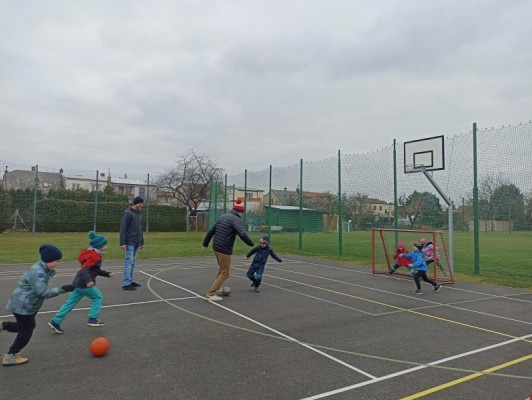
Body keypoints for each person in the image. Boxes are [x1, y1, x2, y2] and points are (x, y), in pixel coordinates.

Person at [1, 244, 74, 366]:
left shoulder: (42, 268)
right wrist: (62, 289)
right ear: (48, 260)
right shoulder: (38, 272)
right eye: (56, 261)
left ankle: (3, 326)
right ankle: (10, 356)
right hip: (23, 306)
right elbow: (42, 292)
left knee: (26, 326)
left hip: (24, 305)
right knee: (26, 332)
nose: (57, 263)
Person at [48, 231, 114, 334]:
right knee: (98, 297)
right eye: (105, 244)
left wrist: (107, 274)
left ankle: (56, 321)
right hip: (84, 284)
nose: (106, 246)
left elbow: (94, 270)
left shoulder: (92, 254)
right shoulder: (94, 256)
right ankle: (93, 318)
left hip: (77, 283)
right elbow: (85, 269)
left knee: (70, 303)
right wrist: (89, 281)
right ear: (99, 246)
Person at [202, 199, 254, 301]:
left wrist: (205, 243)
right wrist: (251, 244)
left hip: (216, 247)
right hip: (224, 249)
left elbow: (211, 231)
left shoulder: (223, 217)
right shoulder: (236, 219)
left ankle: (216, 289)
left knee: (222, 269)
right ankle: (210, 294)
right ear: (240, 212)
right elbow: (242, 234)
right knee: (225, 273)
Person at [120, 196, 145, 291]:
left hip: (136, 242)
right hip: (129, 242)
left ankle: (130, 280)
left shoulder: (138, 214)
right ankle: (126, 283)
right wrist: (122, 243)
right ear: (136, 203)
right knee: (129, 261)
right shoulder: (127, 213)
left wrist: (142, 242)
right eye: (140, 203)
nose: (142, 205)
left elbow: (140, 229)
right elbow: (123, 228)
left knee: (133, 263)